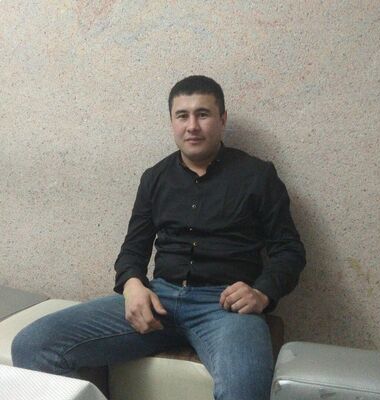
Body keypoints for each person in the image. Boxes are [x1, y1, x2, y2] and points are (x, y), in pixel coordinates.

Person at [12, 75, 306, 400]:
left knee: (245, 390)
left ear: (222, 120)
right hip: (159, 299)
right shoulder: (155, 178)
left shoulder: (258, 176)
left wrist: (262, 293)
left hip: (225, 308)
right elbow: (132, 250)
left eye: (203, 114)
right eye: (182, 116)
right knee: (32, 345)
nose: (192, 126)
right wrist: (132, 286)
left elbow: (289, 250)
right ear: (172, 123)